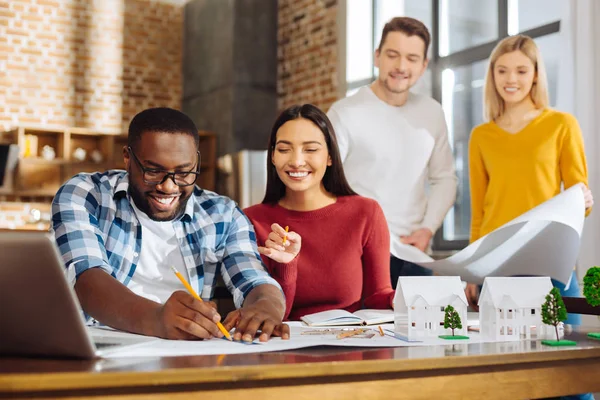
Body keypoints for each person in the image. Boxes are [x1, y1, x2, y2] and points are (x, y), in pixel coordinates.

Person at [50, 107, 288, 343]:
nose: (168, 187)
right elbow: (86, 278)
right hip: (99, 347)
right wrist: (156, 318)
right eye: (153, 171)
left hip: (183, 354)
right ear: (127, 158)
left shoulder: (223, 215)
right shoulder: (86, 195)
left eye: (184, 173)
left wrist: (267, 306)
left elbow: (253, 278)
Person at [468, 35, 594, 325]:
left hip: (549, 257)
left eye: (521, 70)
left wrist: (583, 201)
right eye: (502, 70)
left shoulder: (561, 125)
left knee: (565, 358)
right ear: (493, 75)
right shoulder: (481, 136)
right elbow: (479, 213)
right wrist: (473, 271)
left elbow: (581, 201)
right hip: (496, 262)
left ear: (536, 74)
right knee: (498, 360)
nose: (510, 79)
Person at [327, 17, 457, 288]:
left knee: (420, 330)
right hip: (357, 253)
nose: (401, 66)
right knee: (356, 331)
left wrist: (427, 229)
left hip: (414, 254)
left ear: (424, 65)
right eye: (392, 55)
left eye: (411, 58)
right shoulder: (345, 113)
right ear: (377, 56)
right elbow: (324, 182)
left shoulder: (432, 112)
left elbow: (445, 178)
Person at [244, 104, 395, 320]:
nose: (296, 161)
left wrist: (414, 299)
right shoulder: (251, 221)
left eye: (311, 149)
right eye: (284, 149)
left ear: (330, 157)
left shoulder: (366, 213)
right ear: (273, 157)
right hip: (282, 346)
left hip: (350, 344)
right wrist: (286, 266)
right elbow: (270, 317)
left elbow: (377, 297)